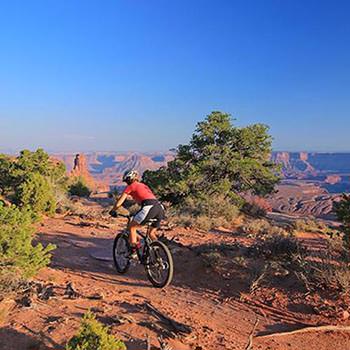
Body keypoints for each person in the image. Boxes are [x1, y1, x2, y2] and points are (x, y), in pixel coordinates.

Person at [109, 170, 164, 256]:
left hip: (149, 207)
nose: (126, 183)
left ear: (129, 179)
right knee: (151, 233)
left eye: (126, 181)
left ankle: (134, 251)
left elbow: (120, 201)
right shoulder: (143, 185)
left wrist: (113, 210)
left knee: (132, 227)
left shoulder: (131, 186)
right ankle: (157, 255)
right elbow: (145, 199)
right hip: (160, 208)